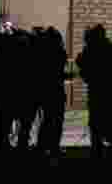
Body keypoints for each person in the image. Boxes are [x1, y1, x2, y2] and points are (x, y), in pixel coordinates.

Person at [76, 25, 112, 160]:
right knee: (109, 119)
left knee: (95, 119)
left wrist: (88, 78)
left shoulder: (90, 50)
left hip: (95, 90)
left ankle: (96, 147)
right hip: (108, 90)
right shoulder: (108, 48)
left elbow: (81, 67)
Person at [37, 27, 71, 159]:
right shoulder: (59, 52)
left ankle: (42, 146)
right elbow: (59, 73)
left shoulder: (41, 52)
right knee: (57, 120)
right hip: (56, 91)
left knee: (47, 120)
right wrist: (68, 76)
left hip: (45, 91)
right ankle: (54, 147)